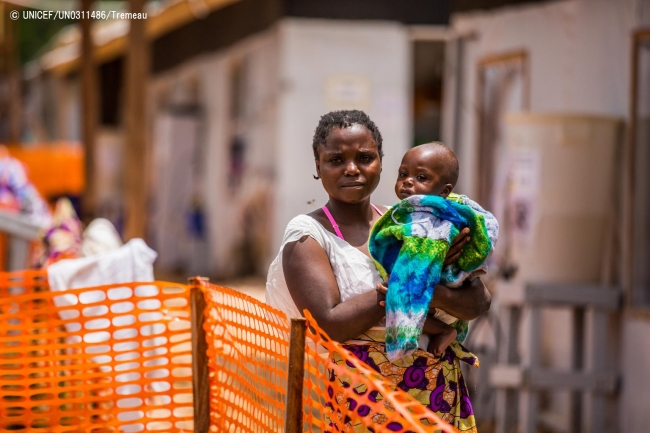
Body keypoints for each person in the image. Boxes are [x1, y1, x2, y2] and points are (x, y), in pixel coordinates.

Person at [265, 110, 490, 432]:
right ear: (318, 166)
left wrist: (431, 286)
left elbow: (478, 302)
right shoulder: (308, 234)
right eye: (336, 159)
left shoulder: (410, 222)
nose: (352, 169)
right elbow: (329, 325)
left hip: (434, 392)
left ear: (382, 163)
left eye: (365, 157)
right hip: (359, 400)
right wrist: (408, 285)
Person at [373, 142, 497, 359]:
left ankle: (426, 332)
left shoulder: (429, 217)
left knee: (404, 290)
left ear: (445, 190)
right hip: (446, 299)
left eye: (421, 178)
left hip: (439, 289)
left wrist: (401, 330)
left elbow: (419, 261)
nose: (408, 181)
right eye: (403, 174)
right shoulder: (408, 212)